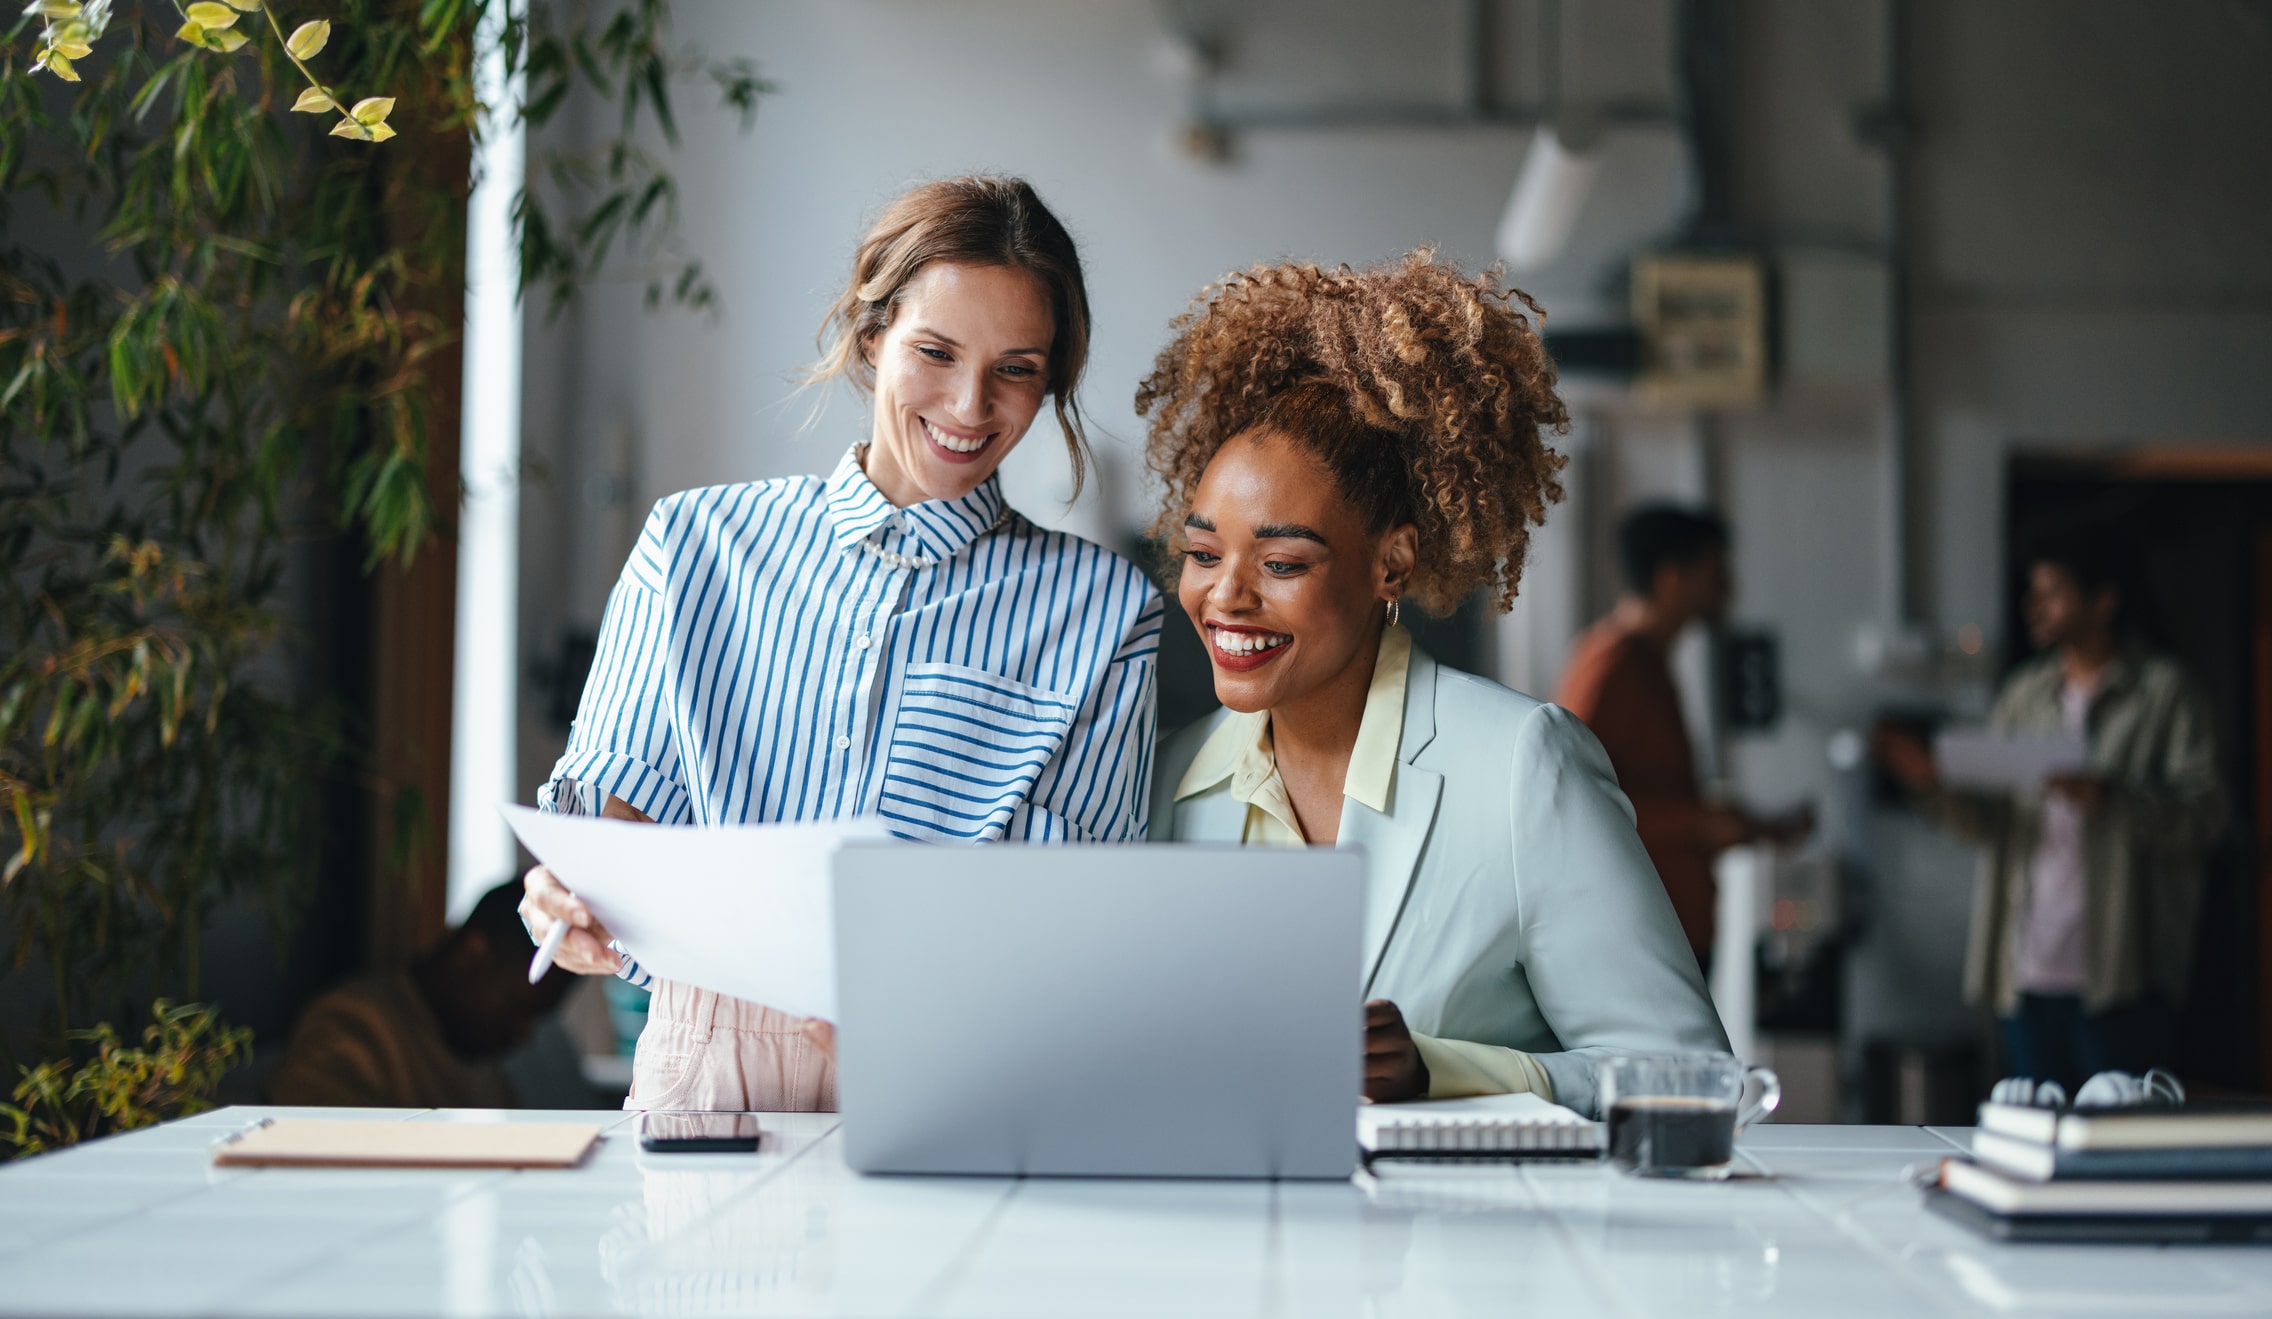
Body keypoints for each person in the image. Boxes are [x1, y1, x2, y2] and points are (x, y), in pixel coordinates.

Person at [520, 177, 1162, 1113]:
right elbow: (610, 840)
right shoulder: (695, 544)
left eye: (1017, 369)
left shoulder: (1104, 610)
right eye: (935, 352)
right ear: (871, 338)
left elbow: (1080, 917)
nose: (970, 404)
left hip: (967, 1068)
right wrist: (571, 903)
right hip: (709, 1058)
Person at [1136, 251, 1728, 1119]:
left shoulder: (1524, 768)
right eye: (1202, 554)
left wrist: (1438, 1070)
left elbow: (1689, 1074)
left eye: (1282, 561)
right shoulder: (1163, 784)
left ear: (1393, 563)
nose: (1226, 595)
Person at [1875, 528, 2225, 1093]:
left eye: (2054, 591)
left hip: (2123, 972)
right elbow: (1993, 824)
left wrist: (2109, 799)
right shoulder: (2026, 693)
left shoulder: (2164, 693)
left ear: (2103, 600)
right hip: (2026, 969)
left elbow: (2205, 818)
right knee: (2033, 1137)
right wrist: (1931, 784)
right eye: (2033, 592)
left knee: (2122, 1142)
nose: (2034, 606)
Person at [1555, 506, 1810, 968]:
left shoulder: (1648, 663)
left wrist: (1747, 825)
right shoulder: (1614, 667)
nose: (1729, 589)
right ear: (1672, 579)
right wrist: (1700, 823)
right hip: (1634, 944)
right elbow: (1574, 806)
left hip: (1663, 935)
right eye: (1716, 571)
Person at [267, 882, 574, 1108]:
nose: (524, 1034)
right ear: (472, 957)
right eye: (519, 1008)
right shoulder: (353, 1026)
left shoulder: (479, 1059)